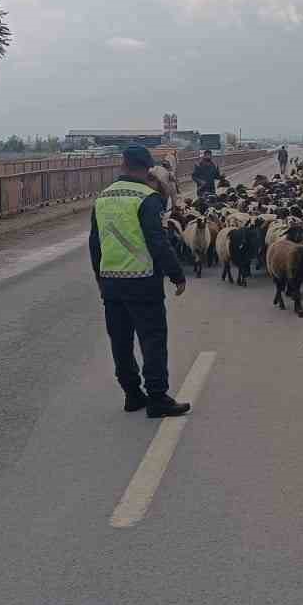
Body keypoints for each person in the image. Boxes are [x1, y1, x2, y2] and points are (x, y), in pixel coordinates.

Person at [89, 145, 190, 418]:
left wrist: (100, 279)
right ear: (148, 169)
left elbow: (95, 244)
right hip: (143, 281)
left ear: (123, 164)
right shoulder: (147, 198)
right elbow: (158, 242)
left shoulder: (103, 198)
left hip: (111, 283)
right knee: (152, 339)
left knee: (120, 341)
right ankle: (157, 397)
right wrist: (177, 274)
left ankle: (132, 394)